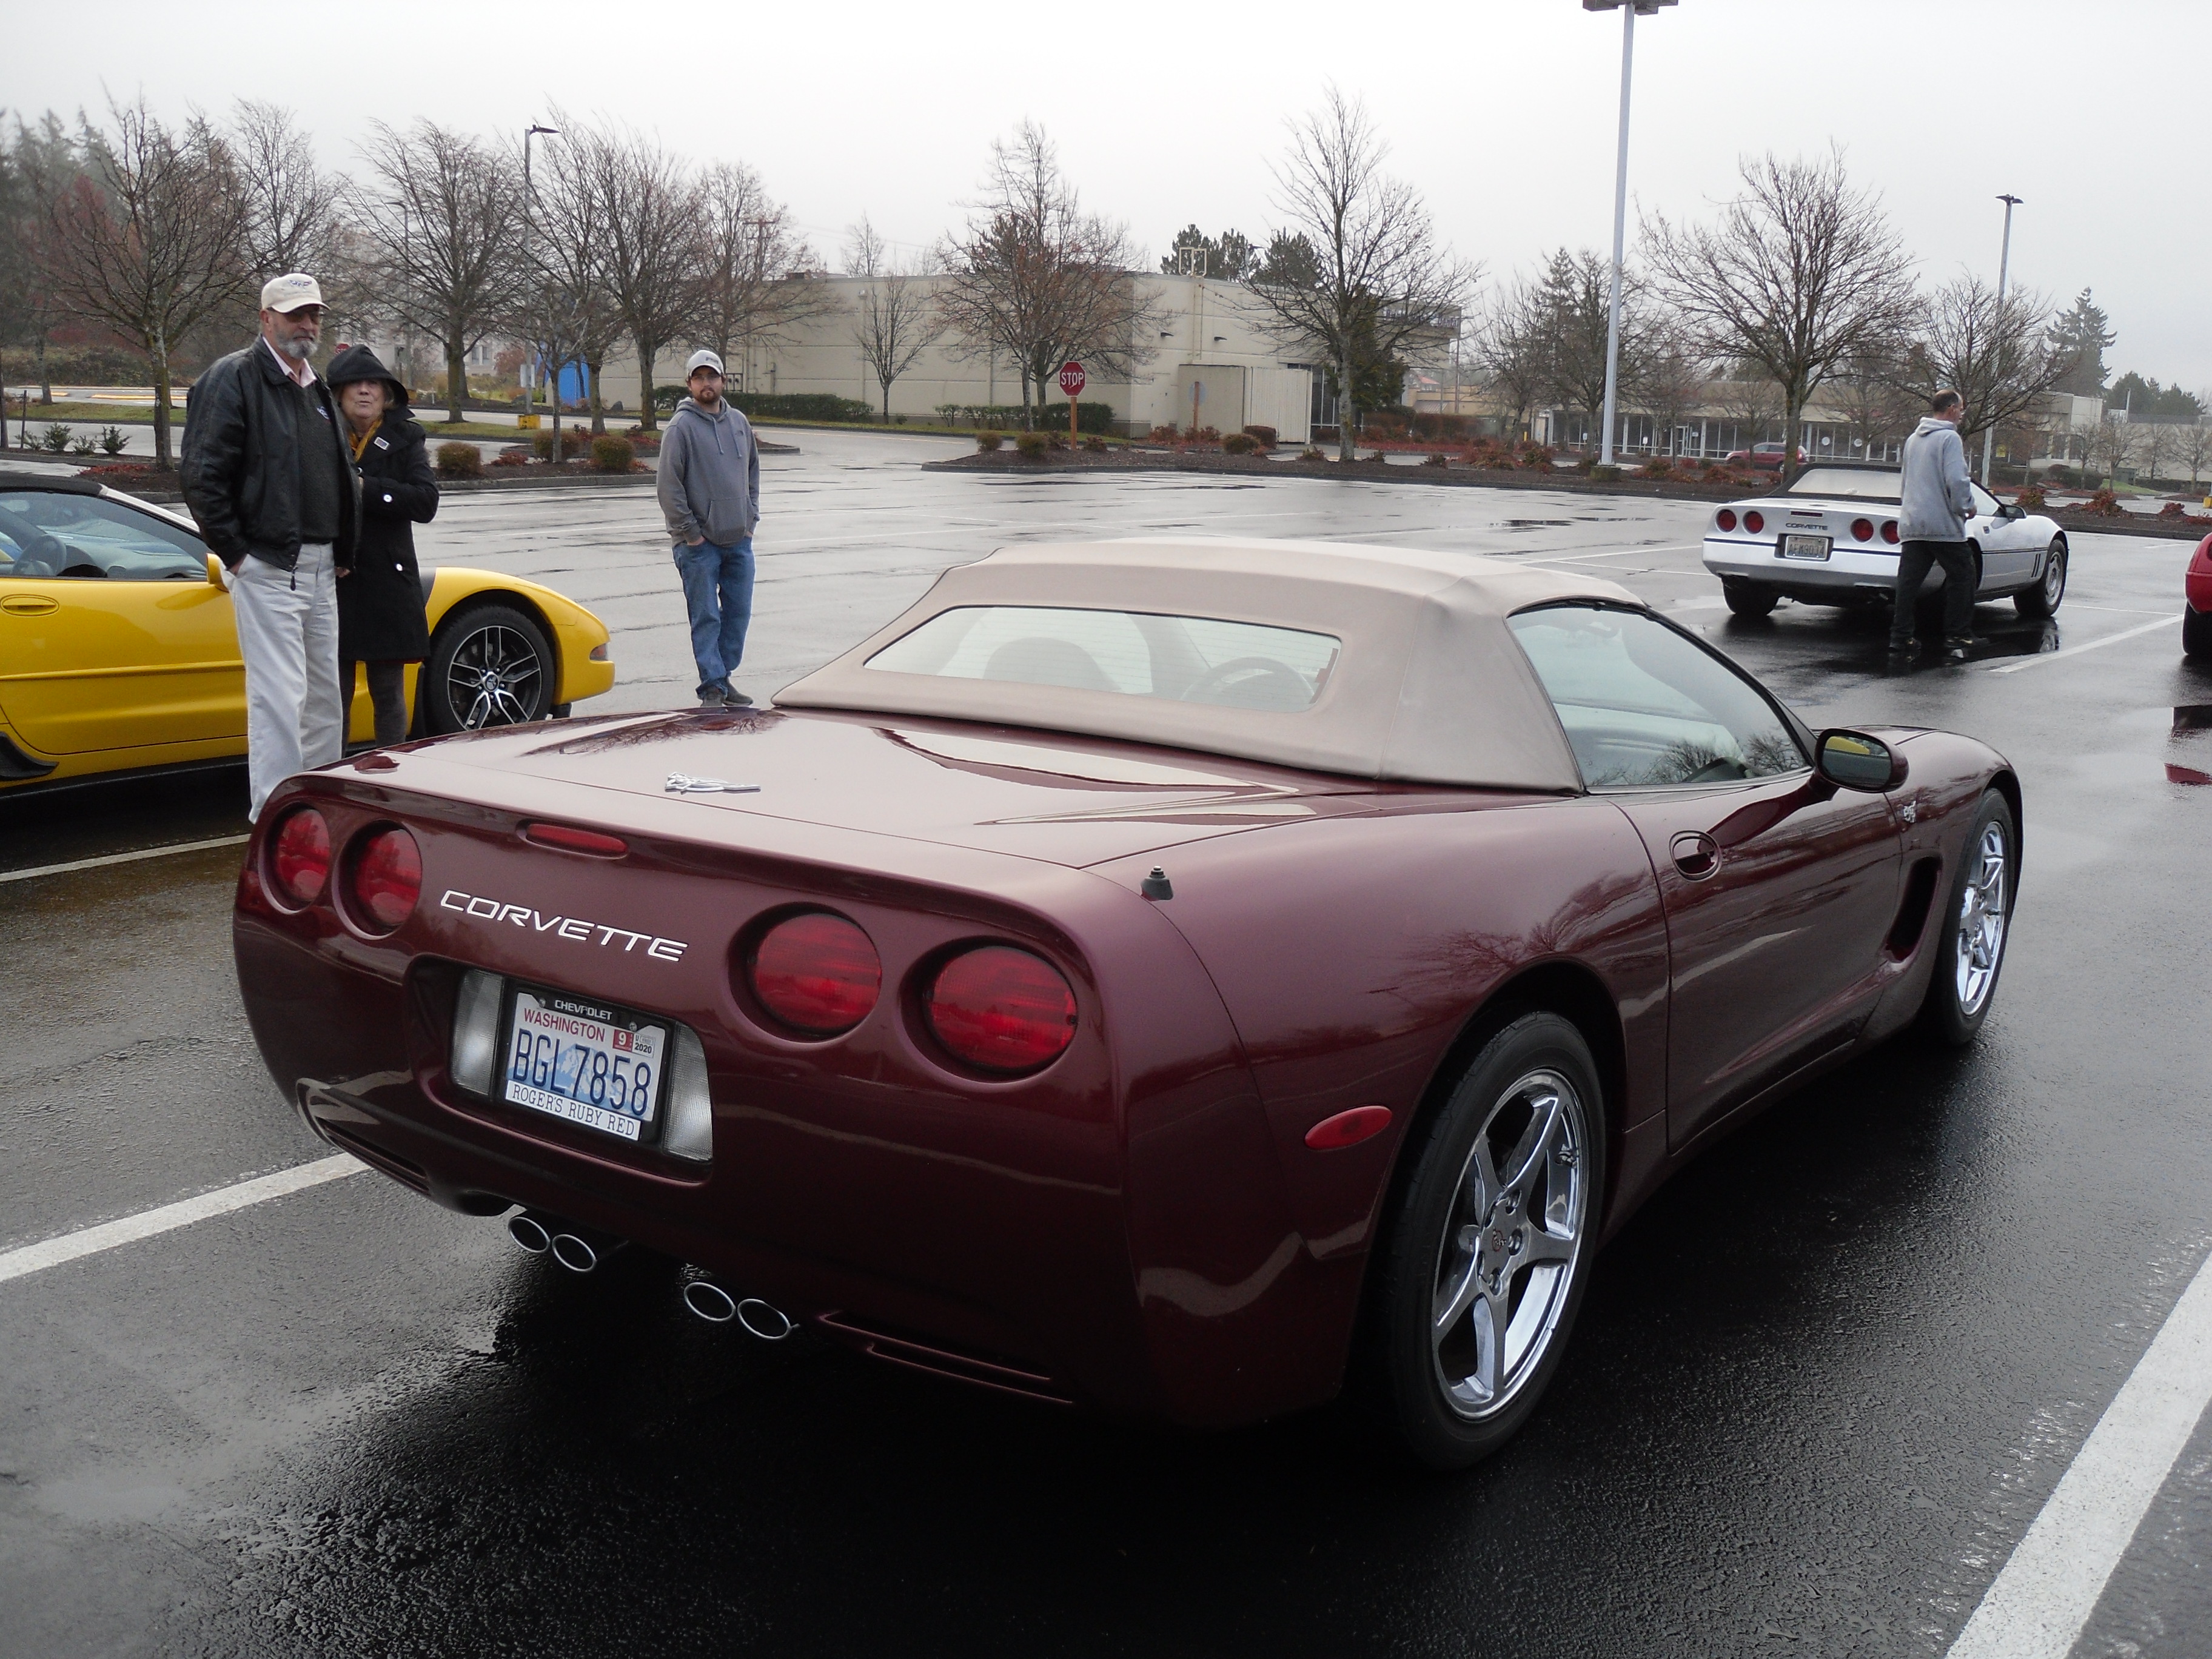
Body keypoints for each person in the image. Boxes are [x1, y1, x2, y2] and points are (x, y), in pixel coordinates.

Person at [180, 272, 359, 818]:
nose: (307, 325)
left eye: (314, 315)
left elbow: (336, 473)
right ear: (266, 318)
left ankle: (318, 813)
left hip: (322, 567)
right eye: (294, 314)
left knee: (325, 699)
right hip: (269, 564)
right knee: (280, 698)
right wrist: (239, 556)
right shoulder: (233, 378)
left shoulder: (317, 388)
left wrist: (343, 552)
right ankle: (276, 819)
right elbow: (203, 476)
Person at [325, 345, 435, 745]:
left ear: (386, 394)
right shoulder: (320, 434)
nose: (365, 391)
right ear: (338, 393)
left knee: (388, 693)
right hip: (333, 580)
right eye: (355, 383)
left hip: (388, 584)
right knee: (332, 697)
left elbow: (425, 502)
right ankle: (333, 771)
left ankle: (393, 769)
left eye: (373, 384)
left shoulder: (406, 437)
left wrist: (365, 489)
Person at [656, 349, 759, 706]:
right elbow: (668, 487)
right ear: (689, 384)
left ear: (723, 381)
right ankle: (712, 687)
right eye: (699, 378)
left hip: (738, 540)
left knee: (738, 614)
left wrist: (750, 520)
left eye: (711, 376)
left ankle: (724, 676)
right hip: (698, 546)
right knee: (706, 617)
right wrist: (691, 534)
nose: (706, 383)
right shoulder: (680, 428)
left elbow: (752, 473)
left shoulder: (739, 423)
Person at [1891, 389, 1978, 666]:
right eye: (1961, 409)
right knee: (1963, 576)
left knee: (1908, 583)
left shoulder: (1913, 440)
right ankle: (1958, 635)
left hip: (1913, 522)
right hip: (1942, 525)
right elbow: (1957, 479)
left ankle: (1901, 637)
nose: (1962, 415)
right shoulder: (1949, 438)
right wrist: (1966, 506)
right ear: (1952, 409)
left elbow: (1906, 481)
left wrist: (1908, 511)